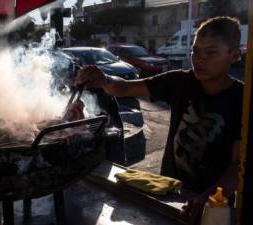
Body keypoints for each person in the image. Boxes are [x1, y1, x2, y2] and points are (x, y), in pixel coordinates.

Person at [75, 16, 244, 224]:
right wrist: (105, 80)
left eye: (210, 52)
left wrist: (209, 197)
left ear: (234, 55)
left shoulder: (241, 99)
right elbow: (126, 88)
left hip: (214, 205)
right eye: (195, 51)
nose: (199, 59)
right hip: (168, 192)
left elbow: (239, 164)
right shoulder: (180, 81)